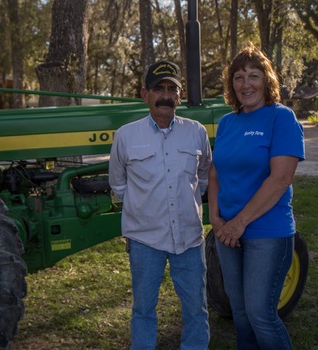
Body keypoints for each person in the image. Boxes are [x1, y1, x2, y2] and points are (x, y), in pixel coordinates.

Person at [208, 43, 305, 349]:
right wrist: (216, 219)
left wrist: (239, 223)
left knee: (261, 314)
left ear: (267, 80)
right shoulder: (227, 123)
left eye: (253, 75)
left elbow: (281, 179)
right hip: (227, 233)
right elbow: (214, 175)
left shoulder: (281, 118)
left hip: (267, 231)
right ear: (231, 84)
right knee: (239, 312)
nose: (245, 84)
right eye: (238, 77)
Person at [109, 60, 211, 350]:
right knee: (143, 310)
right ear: (145, 95)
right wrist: (144, 210)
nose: (165, 95)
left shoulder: (196, 133)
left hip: (189, 239)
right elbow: (118, 184)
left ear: (179, 96)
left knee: (196, 309)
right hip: (145, 240)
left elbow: (203, 177)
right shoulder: (126, 136)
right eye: (158, 89)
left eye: (172, 89)